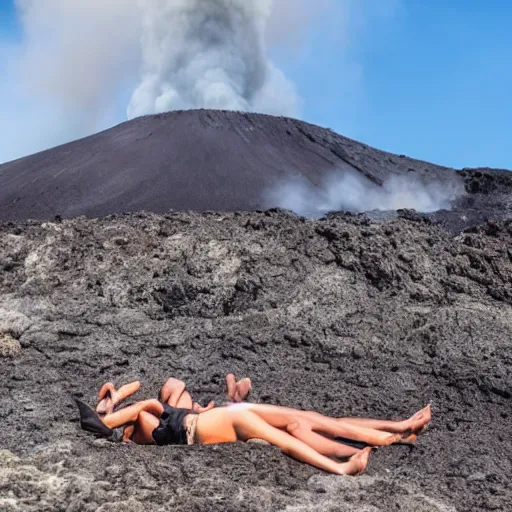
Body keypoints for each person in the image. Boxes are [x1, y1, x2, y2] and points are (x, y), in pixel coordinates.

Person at [75, 384, 431, 475]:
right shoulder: (147, 431)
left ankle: (397, 429)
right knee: (288, 436)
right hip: (221, 423)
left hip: (225, 415)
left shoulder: (154, 417)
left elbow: (141, 395)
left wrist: (111, 398)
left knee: (307, 418)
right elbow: (139, 404)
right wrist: (107, 417)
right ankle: (345, 462)